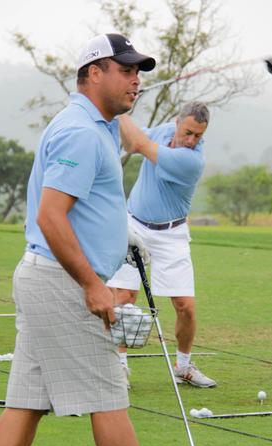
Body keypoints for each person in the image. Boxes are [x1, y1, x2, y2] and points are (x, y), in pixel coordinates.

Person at [0, 33, 217, 446]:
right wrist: (93, 284)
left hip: (46, 277)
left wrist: (115, 242)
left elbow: (93, 193)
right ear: (93, 73)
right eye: (125, 70)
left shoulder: (95, 127)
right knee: (108, 396)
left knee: (25, 402)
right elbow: (51, 217)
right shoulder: (80, 131)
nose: (136, 79)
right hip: (62, 282)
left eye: (139, 71)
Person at [107, 102, 217, 388]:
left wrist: (117, 107)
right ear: (177, 122)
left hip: (172, 233)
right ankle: (118, 367)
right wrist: (114, 106)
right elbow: (130, 142)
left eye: (198, 136)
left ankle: (183, 366)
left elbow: (140, 144)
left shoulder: (191, 160)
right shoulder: (165, 130)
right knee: (123, 300)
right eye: (188, 132)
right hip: (134, 225)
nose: (191, 141)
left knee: (185, 306)